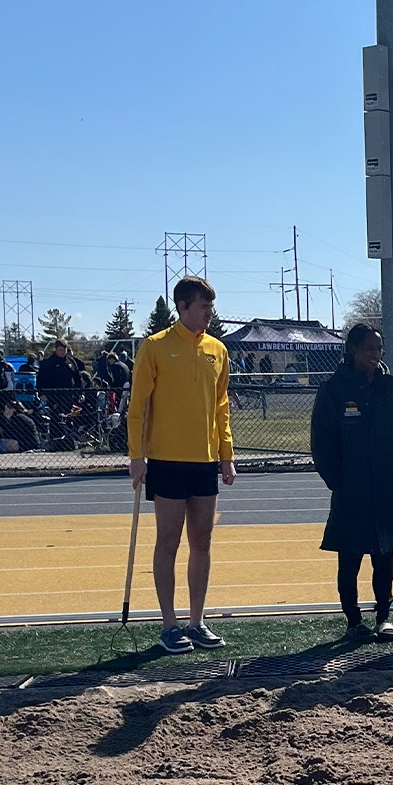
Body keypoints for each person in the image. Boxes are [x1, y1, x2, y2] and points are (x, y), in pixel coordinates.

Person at [128, 276, 236, 654]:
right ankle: (170, 625)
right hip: (166, 460)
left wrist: (227, 455)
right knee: (168, 542)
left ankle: (197, 621)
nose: (209, 313)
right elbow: (137, 406)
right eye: (203, 306)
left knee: (202, 542)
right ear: (183, 307)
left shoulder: (217, 350)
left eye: (211, 306)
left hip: (205, 462)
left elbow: (222, 407)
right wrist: (136, 456)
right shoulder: (155, 347)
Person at [311, 323, 393, 643]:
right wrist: (337, 479)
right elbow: (322, 440)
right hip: (352, 490)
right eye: (368, 348)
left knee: (385, 556)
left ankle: (384, 618)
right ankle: (353, 621)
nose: (375, 354)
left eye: (378, 348)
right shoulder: (333, 390)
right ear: (352, 350)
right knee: (349, 557)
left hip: (389, 489)